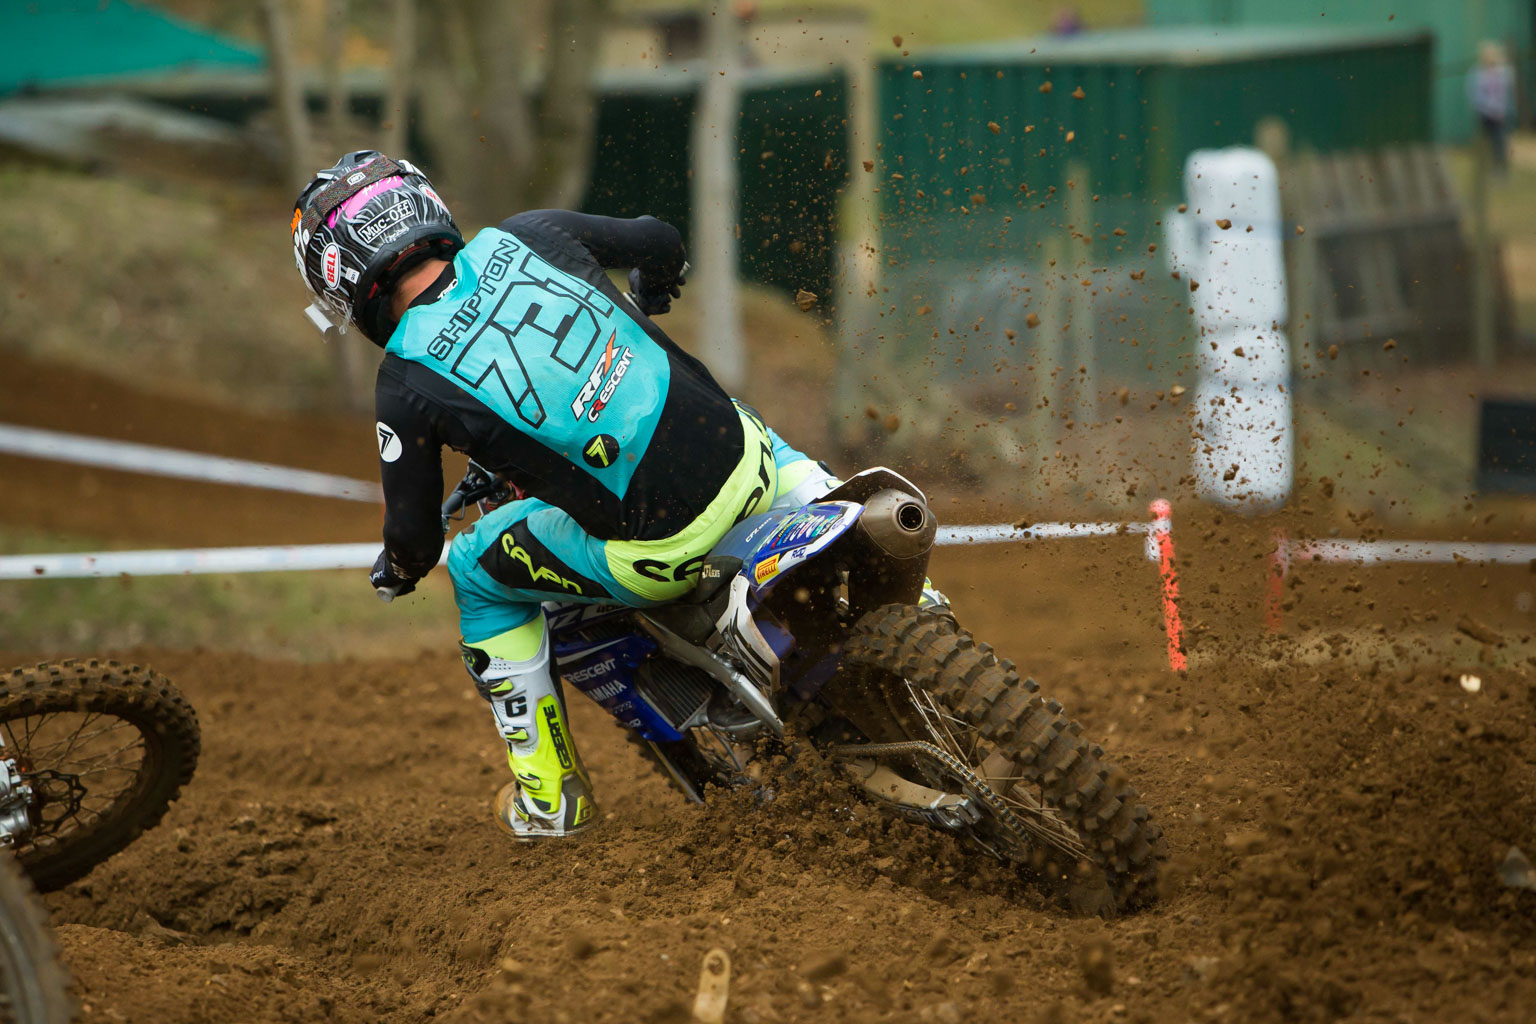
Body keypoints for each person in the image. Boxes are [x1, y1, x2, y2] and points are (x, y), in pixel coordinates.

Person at [289, 151, 841, 839]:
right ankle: (919, 605)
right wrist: (654, 284)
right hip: (754, 465)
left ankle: (552, 802)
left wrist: (397, 570)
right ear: (426, 206)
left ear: (339, 281)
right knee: (741, 425)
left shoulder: (405, 380)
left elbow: (414, 536)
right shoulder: (529, 232)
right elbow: (659, 239)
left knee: (474, 570)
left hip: (662, 553)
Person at [1469, 40, 1516, 175]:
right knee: (1484, 143)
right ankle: (1483, 170)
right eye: (1487, 56)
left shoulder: (1503, 72)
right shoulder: (1477, 74)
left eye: (1492, 55)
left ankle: (1500, 169)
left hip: (1500, 114)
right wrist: (1488, 109)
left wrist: (1499, 110)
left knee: (1500, 142)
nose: (1490, 59)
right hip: (1484, 114)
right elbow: (1475, 95)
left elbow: (1506, 90)